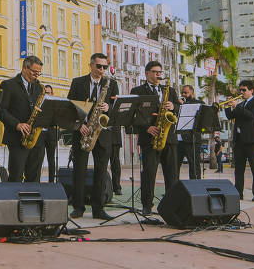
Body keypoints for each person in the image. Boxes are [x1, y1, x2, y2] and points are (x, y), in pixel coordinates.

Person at [66, 53, 119, 220]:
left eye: (104, 67)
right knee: (79, 172)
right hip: (82, 131)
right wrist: (78, 125)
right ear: (91, 65)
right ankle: (78, 207)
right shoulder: (77, 82)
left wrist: (108, 107)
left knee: (101, 172)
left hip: (102, 133)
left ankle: (98, 208)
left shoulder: (111, 84)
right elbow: (70, 107)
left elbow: (116, 108)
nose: (102, 70)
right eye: (99, 66)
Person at [130, 61, 179, 216]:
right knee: (149, 174)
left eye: (160, 72)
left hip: (168, 138)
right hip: (149, 137)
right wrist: (146, 128)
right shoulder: (137, 90)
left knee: (172, 174)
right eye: (155, 72)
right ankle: (147, 205)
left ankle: (171, 205)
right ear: (147, 73)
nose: (159, 74)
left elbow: (179, 109)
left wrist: (174, 107)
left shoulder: (169, 90)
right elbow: (133, 115)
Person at [0, 55, 45, 183]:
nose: (37, 76)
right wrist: (17, 124)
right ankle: (14, 203)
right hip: (16, 138)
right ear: (24, 68)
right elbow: (0, 111)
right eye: (34, 72)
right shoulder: (8, 85)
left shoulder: (40, 88)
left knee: (34, 178)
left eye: (39, 73)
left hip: (36, 140)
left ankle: (32, 203)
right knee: (16, 177)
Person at [224, 80, 254, 201]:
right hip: (239, 141)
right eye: (240, 90)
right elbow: (230, 116)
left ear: (251, 91)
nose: (241, 92)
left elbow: (252, 116)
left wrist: (236, 106)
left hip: (252, 140)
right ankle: (238, 193)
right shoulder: (240, 105)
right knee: (238, 169)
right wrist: (227, 105)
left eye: (244, 90)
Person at [176, 85, 203, 180]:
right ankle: (173, 189)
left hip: (192, 140)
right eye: (182, 92)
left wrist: (184, 105)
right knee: (174, 167)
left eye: (186, 93)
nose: (184, 94)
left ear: (192, 93)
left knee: (194, 166)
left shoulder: (199, 103)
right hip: (178, 140)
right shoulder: (178, 104)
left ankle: (195, 189)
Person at [43, 84, 59, 183]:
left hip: (51, 134)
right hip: (40, 134)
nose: (46, 95)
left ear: (52, 94)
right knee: (38, 159)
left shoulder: (56, 105)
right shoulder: (40, 103)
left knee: (51, 159)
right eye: (45, 93)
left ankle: (51, 182)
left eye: (48, 93)